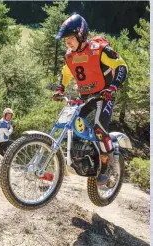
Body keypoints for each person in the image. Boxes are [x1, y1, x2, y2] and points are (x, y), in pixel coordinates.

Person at [53, 14, 128, 185]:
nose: (67, 43)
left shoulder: (100, 49)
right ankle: (85, 156)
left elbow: (121, 65)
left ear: (81, 34)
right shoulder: (70, 55)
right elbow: (66, 73)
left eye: (70, 38)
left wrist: (113, 86)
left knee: (99, 129)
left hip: (104, 95)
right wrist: (60, 88)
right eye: (65, 40)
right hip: (85, 97)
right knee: (71, 122)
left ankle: (106, 165)